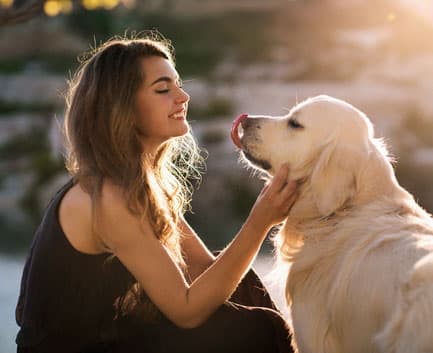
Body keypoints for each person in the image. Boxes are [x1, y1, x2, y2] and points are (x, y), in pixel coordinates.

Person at [15, 35, 298, 353]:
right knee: (258, 329)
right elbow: (187, 311)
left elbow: (204, 269)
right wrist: (259, 222)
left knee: (244, 284)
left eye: (178, 84)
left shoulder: (138, 184)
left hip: (116, 339)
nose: (183, 96)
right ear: (123, 108)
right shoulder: (107, 196)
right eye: (163, 89)